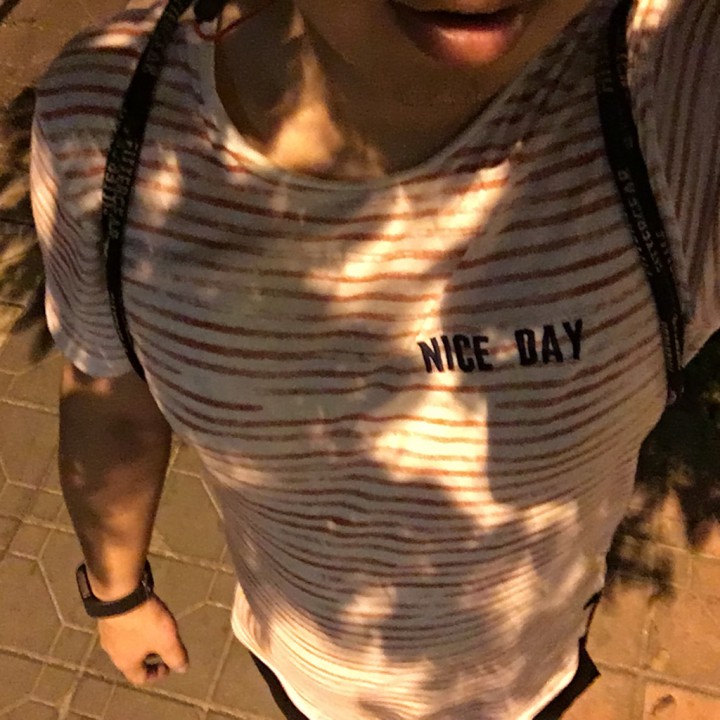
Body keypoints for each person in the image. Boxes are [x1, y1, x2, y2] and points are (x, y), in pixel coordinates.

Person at [29, 0, 719, 718]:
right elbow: (112, 403)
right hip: (306, 670)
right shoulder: (108, 118)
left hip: (526, 679)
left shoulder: (672, 93)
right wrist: (117, 597)